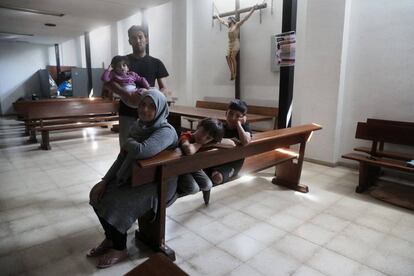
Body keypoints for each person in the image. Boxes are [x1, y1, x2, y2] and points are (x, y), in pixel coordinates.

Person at [88, 89, 178, 269]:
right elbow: (122, 157)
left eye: (151, 107)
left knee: (115, 204)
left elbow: (141, 150)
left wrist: (128, 142)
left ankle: (120, 248)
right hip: (137, 176)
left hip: (159, 182)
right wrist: (105, 180)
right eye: (142, 105)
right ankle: (111, 238)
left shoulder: (166, 131)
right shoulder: (138, 127)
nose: (145, 110)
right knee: (96, 194)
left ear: (160, 109)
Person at [104, 25, 169, 148]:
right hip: (127, 113)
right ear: (129, 41)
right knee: (126, 147)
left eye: (140, 37)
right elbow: (107, 82)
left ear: (147, 39)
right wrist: (125, 94)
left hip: (150, 114)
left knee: (148, 149)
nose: (138, 40)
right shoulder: (121, 61)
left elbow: (164, 88)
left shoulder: (157, 63)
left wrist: (158, 97)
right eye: (134, 38)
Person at [206, 99, 252, 185]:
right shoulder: (221, 126)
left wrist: (239, 124)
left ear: (243, 118)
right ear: (226, 113)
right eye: (230, 113)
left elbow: (245, 141)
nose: (232, 118)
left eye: (238, 116)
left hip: (233, 163)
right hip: (217, 159)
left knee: (218, 178)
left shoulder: (245, 127)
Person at [177, 118, 224, 196]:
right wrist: (202, 144)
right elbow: (189, 150)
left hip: (194, 167)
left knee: (208, 185)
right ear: (198, 126)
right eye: (203, 132)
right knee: (193, 188)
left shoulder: (208, 142)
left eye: (208, 138)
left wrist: (212, 143)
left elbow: (231, 144)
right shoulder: (186, 135)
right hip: (180, 169)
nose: (203, 137)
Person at [215, 4, 259, 80]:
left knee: (232, 57)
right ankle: (231, 71)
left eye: (229, 19)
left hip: (235, 42)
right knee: (227, 57)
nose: (227, 20)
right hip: (230, 43)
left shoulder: (237, 25)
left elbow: (245, 18)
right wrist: (217, 16)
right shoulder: (229, 26)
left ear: (232, 20)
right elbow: (222, 21)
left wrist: (252, 9)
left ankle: (235, 73)